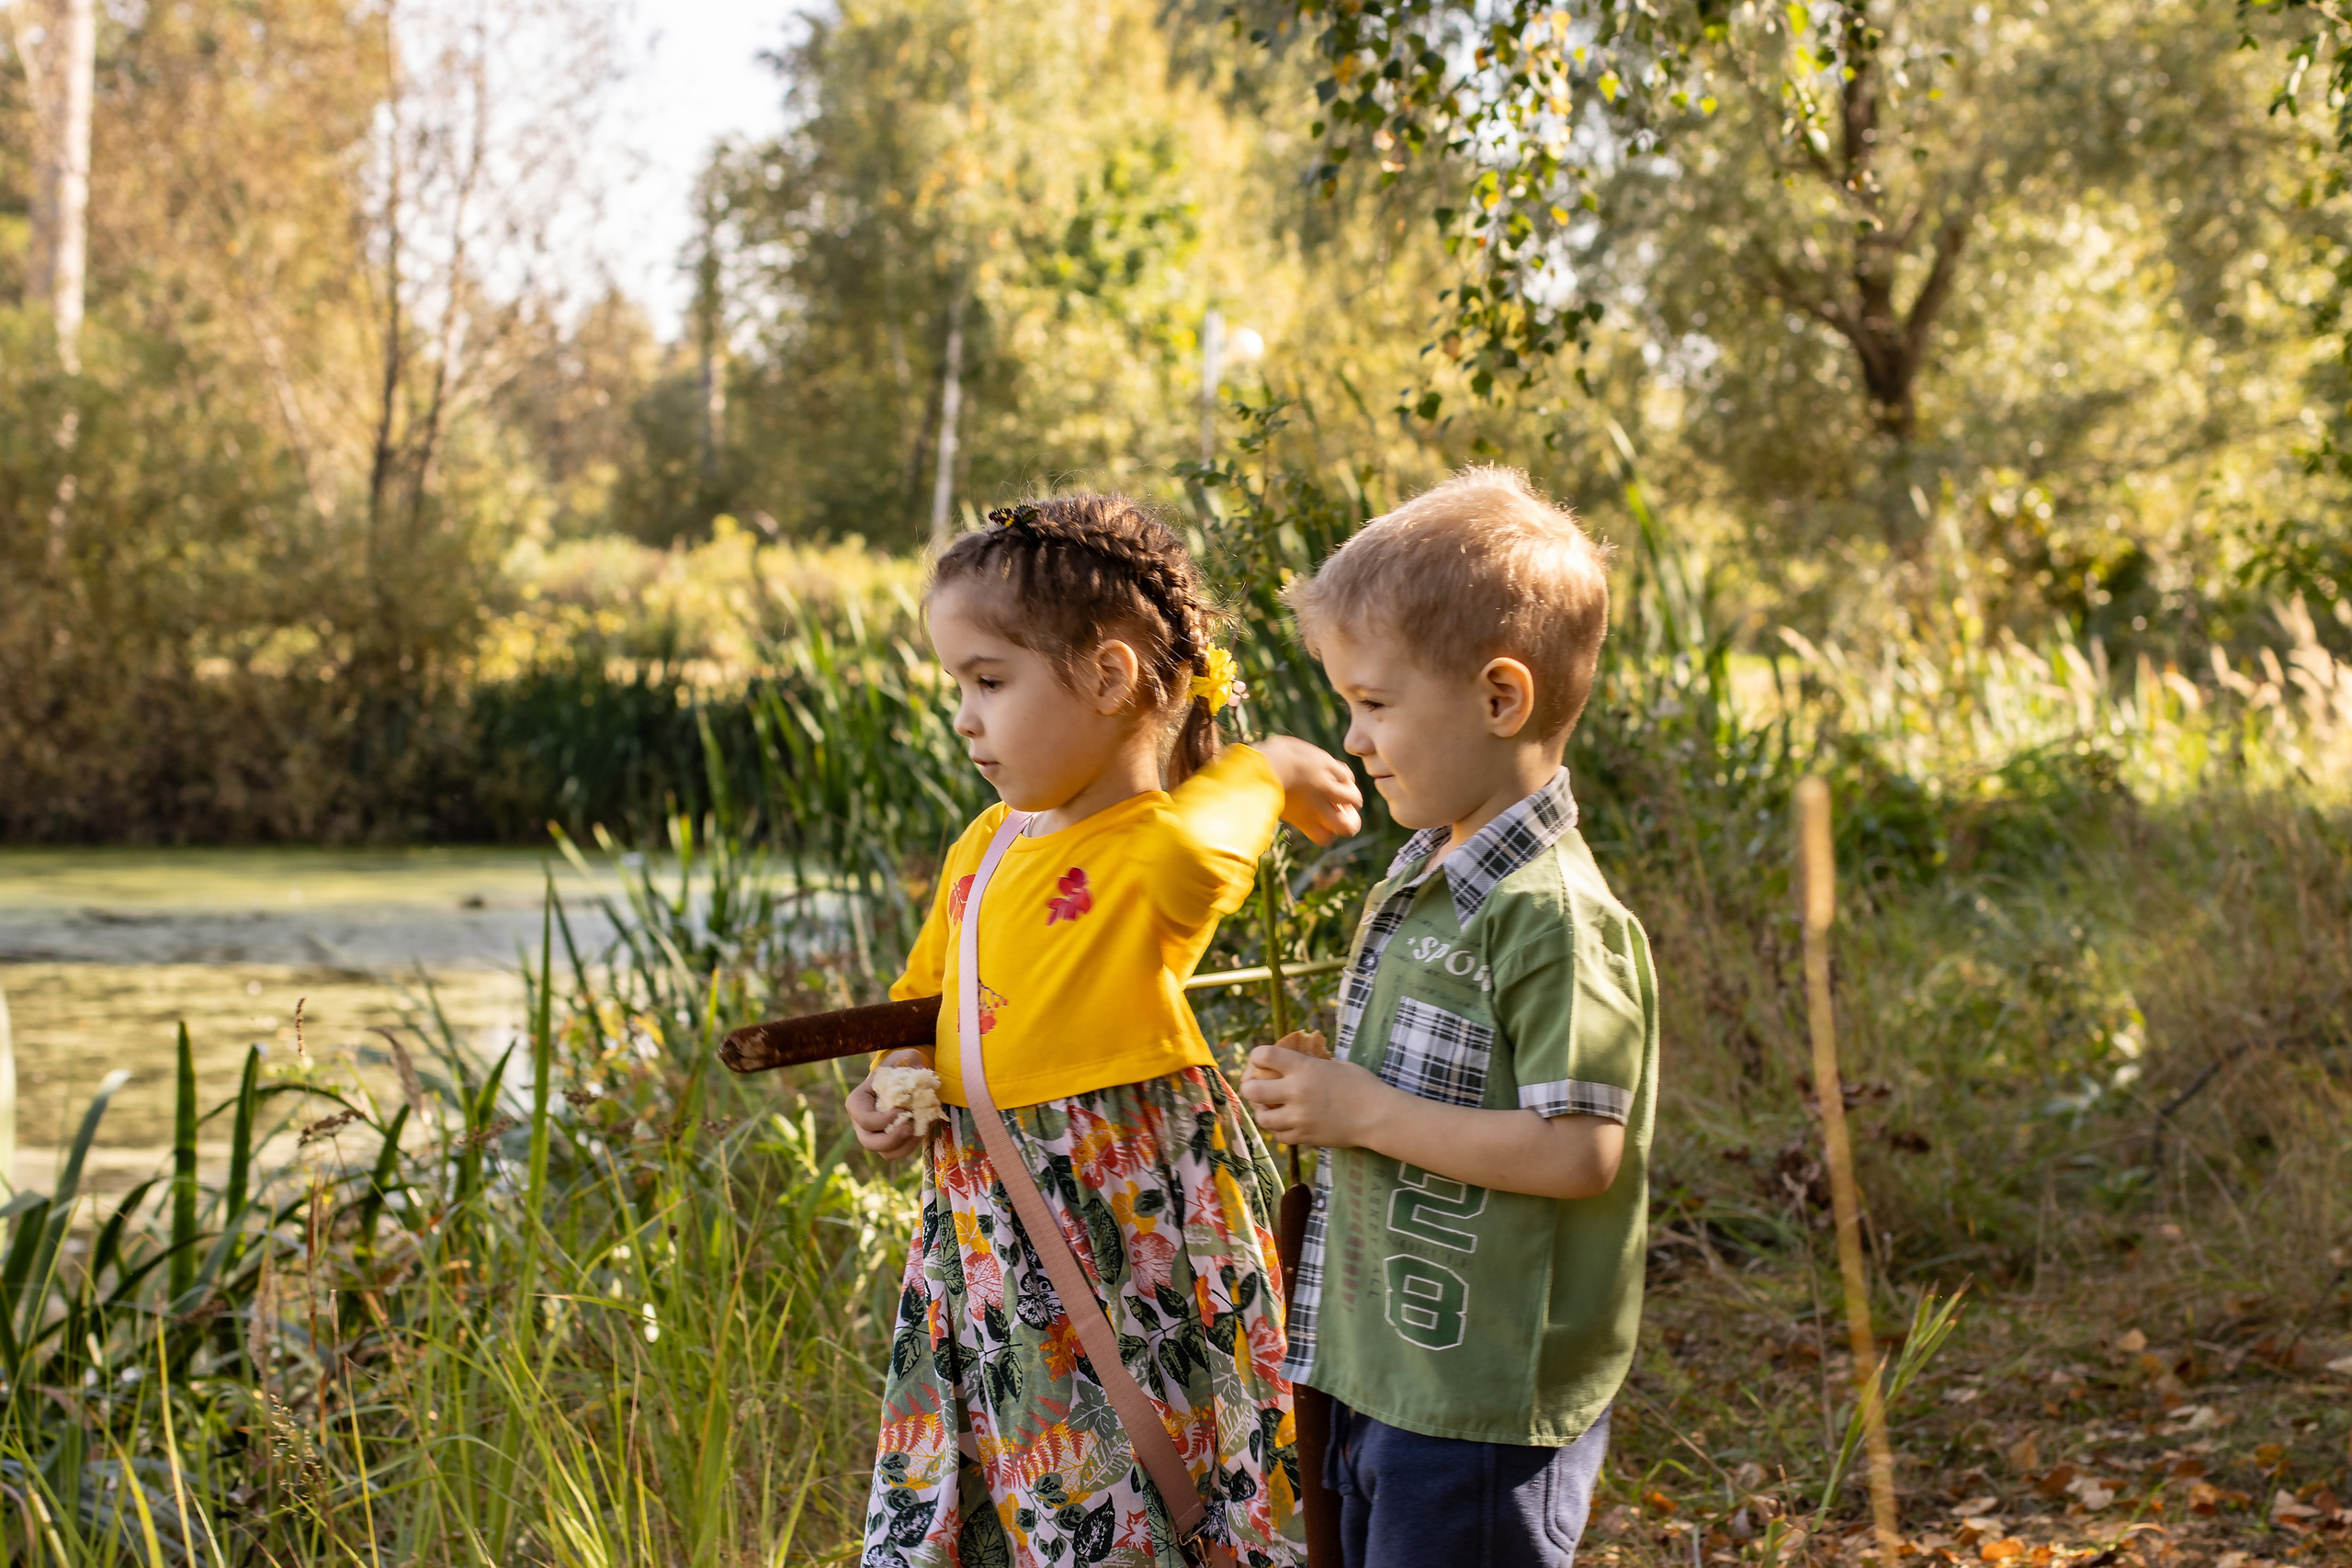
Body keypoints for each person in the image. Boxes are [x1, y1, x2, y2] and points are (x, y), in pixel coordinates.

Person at [847, 496, 1363, 1568]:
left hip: (1122, 1225)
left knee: (1146, 1455)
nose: (964, 716)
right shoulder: (984, 847)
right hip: (985, 1229)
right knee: (1031, 1476)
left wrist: (1265, 766)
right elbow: (928, 997)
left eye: (989, 681)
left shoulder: (1146, 855)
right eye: (957, 686)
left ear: (1111, 677)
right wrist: (896, 1081)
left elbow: (1199, 845)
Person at [1239, 468, 1659, 1568]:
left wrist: (1364, 1110)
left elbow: (1578, 1153)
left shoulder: (1555, 921)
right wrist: (1328, 1088)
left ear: (1499, 698)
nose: (1355, 739)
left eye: (1375, 705)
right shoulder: (1422, 877)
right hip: (1383, 1366)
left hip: (1480, 1401)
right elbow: (1424, 1094)